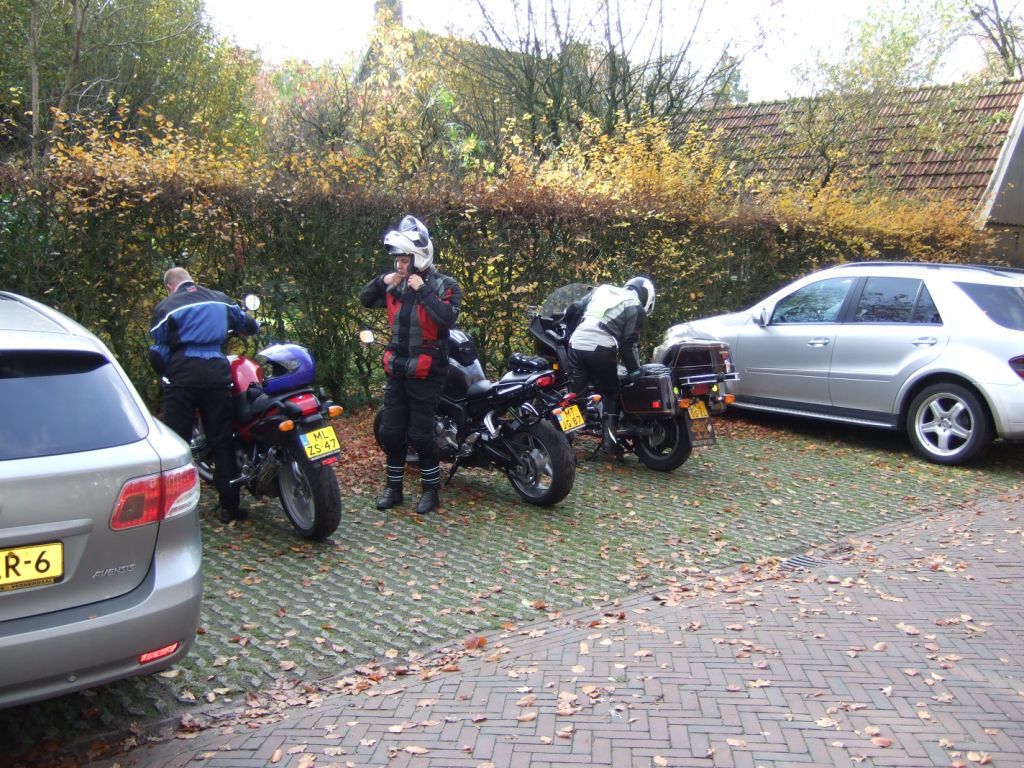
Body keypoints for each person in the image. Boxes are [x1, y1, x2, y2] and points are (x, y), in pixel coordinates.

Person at [360, 215, 462, 515]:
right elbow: (365, 299)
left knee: (421, 434)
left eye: (404, 260)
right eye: (397, 260)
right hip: (398, 368)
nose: (399, 265)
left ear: (419, 258)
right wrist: (382, 281)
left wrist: (423, 290)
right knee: (391, 432)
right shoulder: (396, 285)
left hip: (428, 371)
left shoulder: (444, 285)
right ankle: (394, 489)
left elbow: (446, 319)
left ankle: (431, 492)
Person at [149, 267, 259, 522]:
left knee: (177, 445)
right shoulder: (219, 299)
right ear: (190, 279)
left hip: (183, 376)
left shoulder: (166, 307)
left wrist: (167, 374)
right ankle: (229, 508)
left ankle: (175, 512)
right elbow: (247, 324)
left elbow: (158, 350)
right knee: (222, 441)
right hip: (216, 374)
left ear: (169, 287)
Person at [567, 276, 656, 453]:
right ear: (646, 296)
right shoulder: (634, 306)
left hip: (575, 344)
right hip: (601, 349)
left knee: (575, 397)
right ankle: (610, 443)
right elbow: (628, 344)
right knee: (611, 392)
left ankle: (563, 442)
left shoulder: (602, 289)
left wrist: (569, 329)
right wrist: (635, 371)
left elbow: (574, 308)